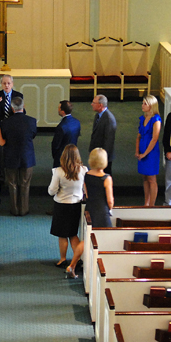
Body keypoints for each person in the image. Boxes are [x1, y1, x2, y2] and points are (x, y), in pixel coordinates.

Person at [49, 144, 88, 277]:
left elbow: (51, 191)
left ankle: (62, 259)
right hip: (76, 205)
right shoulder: (83, 170)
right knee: (72, 234)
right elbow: (85, 188)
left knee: (62, 234)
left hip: (61, 205)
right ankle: (78, 259)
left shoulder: (59, 171)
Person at [0, 97, 37, 216]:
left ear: (12, 108)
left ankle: (14, 209)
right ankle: (24, 209)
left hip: (10, 156)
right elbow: (33, 135)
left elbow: (3, 138)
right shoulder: (32, 121)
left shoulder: (5, 123)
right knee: (25, 184)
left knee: (12, 184)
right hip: (27, 156)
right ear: (23, 107)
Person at [136, 94, 162, 206]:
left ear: (151, 105)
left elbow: (154, 139)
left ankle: (152, 204)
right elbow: (138, 136)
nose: (142, 105)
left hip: (151, 152)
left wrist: (145, 154)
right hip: (142, 150)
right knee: (145, 178)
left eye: (145, 104)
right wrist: (137, 151)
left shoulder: (156, 119)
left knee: (151, 179)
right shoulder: (143, 118)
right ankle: (146, 203)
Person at [89, 95, 117, 174]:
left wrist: (103, 158)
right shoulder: (98, 115)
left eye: (94, 103)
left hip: (103, 158)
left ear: (100, 105)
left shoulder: (109, 119)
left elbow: (108, 141)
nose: (91, 104)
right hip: (97, 155)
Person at [51, 100, 81, 168]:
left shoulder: (61, 127)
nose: (58, 110)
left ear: (63, 111)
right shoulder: (77, 122)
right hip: (73, 153)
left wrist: (55, 156)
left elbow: (56, 145)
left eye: (59, 108)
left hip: (62, 156)